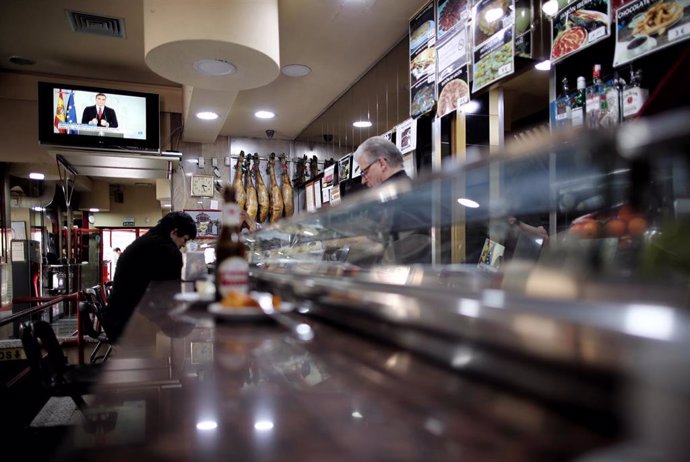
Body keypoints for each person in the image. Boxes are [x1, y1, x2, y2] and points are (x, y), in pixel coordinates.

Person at [103, 212, 197, 341]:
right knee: (188, 328)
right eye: (185, 239)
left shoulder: (149, 240)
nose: (184, 245)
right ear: (174, 232)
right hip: (128, 325)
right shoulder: (166, 250)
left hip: (117, 319)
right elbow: (172, 294)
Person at [353, 136, 431, 264]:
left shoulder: (397, 197)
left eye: (364, 172)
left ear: (382, 164)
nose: (363, 180)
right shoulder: (409, 189)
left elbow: (408, 247)